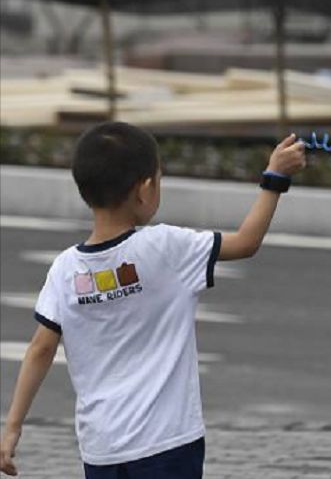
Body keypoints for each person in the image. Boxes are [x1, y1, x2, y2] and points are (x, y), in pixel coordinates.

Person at [0, 122, 306, 478]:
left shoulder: (65, 269)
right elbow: (246, 242)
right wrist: (274, 178)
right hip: (168, 441)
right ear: (145, 190)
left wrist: (12, 427)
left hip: (102, 449)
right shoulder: (167, 247)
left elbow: (40, 349)